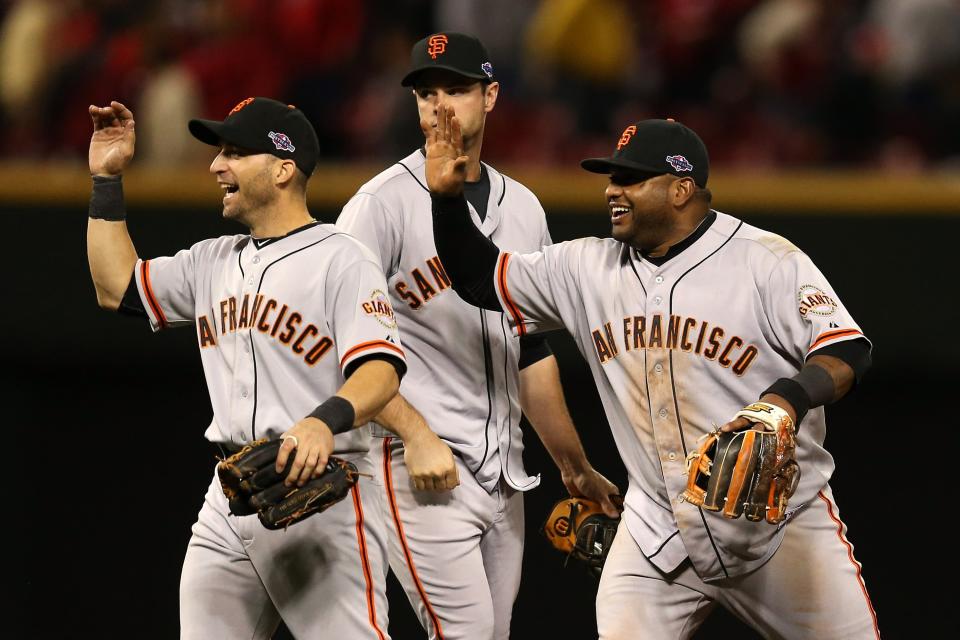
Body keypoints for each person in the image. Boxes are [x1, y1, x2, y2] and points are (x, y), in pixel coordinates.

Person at [424, 108, 881, 639]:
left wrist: (787, 398)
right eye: (611, 177)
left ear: (682, 189)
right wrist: (447, 200)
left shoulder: (766, 261)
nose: (612, 190)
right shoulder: (585, 267)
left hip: (781, 524)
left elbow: (847, 350)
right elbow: (483, 280)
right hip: (656, 529)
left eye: (631, 178)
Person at [85, 97, 448, 639]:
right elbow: (115, 286)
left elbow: (380, 371)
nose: (215, 165)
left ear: (282, 168)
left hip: (322, 496)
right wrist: (106, 181)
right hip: (228, 497)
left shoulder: (341, 257)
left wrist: (322, 421)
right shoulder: (211, 260)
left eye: (234, 152)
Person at [335, 32, 621, 640]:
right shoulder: (377, 206)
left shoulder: (523, 208)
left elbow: (532, 348)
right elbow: (344, 348)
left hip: (504, 473)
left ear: (490, 96)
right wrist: (413, 435)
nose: (439, 106)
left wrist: (572, 464)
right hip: (419, 467)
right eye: (426, 92)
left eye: (457, 90)